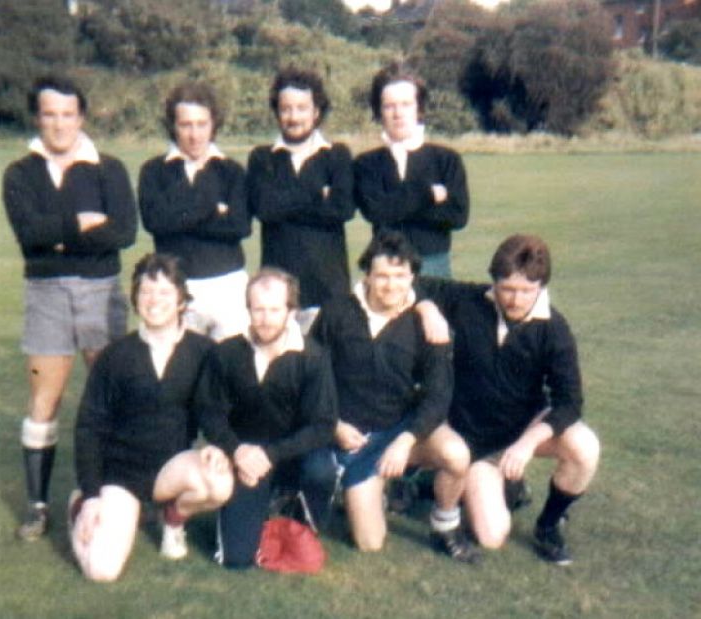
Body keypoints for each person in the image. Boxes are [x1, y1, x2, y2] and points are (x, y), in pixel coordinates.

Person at [2, 75, 137, 541]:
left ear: (81, 116)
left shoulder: (109, 168)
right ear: (37, 117)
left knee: (113, 395)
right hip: (45, 293)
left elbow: (122, 234)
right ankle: (38, 507)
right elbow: (29, 235)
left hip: (101, 289)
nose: (58, 124)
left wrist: (58, 232)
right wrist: (81, 222)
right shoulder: (19, 173)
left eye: (67, 114)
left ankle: (120, 491)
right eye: (49, 114)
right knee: (46, 398)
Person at [415, 234, 601, 565]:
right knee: (490, 536)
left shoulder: (554, 329)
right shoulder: (470, 301)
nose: (516, 299)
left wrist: (527, 444)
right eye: (507, 289)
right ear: (494, 282)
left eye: (527, 291)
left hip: (523, 431)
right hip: (475, 443)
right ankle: (485, 485)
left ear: (541, 286)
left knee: (585, 447)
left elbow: (569, 402)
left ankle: (548, 526)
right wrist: (427, 308)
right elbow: (412, 283)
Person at [309, 232, 480, 563]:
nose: (390, 285)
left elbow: (438, 394)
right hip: (349, 435)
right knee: (370, 543)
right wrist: (334, 424)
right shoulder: (336, 312)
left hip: (396, 430)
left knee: (457, 454)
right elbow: (312, 377)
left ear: (413, 278)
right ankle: (364, 488)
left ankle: (445, 525)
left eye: (400, 276)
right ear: (367, 276)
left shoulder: (426, 321)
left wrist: (405, 440)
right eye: (382, 276)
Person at [70, 254, 233, 582]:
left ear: (180, 300)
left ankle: (172, 521)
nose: (153, 301)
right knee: (101, 571)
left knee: (218, 483)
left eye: (163, 292)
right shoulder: (115, 356)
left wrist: (219, 445)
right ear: (134, 298)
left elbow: (214, 409)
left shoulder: (203, 351)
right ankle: (79, 507)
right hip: (120, 475)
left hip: (171, 469)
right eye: (145, 291)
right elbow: (89, 427)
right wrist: (90, 496)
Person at [195, 269, 337, 569]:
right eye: (258, 309)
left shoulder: (313, 357)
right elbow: (209, 413)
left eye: (275, 309)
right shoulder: (227, 354)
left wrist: (269, 455)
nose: (266, 318)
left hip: (295, 455)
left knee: (322, 470)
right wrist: (237, 451)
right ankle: (265, 510)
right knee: (236, 559)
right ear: (248, 309)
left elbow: (322, 425)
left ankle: (297, 515)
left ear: (291, 310)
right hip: (246, 459)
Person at [138, 81, 251, 341]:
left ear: (214, 124)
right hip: (175, 286)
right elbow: (156, 222)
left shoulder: (230, 170)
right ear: (173, 126)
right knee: (180, 374)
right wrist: (213, 209)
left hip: (227, 285)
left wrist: (180, 214)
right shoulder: (154, 171)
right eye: (186, 125)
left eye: (202, 124)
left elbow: (239, 226)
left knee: (230, 372)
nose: (194, 134)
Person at [247, 68, 355, 332]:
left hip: (328, 290)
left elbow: (342, 209)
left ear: (316, 111)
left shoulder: (337, 155)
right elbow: (265, 209)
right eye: (286, 109)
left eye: (301, 108)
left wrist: (285, 199)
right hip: (276, 295)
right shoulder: (262, 158)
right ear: (277, 112)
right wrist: (318, 195)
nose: (293, 117)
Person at [354, 62, 469, 278]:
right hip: (384, 271)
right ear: (379, 111)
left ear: (420, 108)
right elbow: (376, 212)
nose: (398, 113)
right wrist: (428, 195)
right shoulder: (365, 164)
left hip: (434, 267)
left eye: (406, 104)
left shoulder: (446, 160)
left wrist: (395, 205)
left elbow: (457, 216)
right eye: (389, 106)